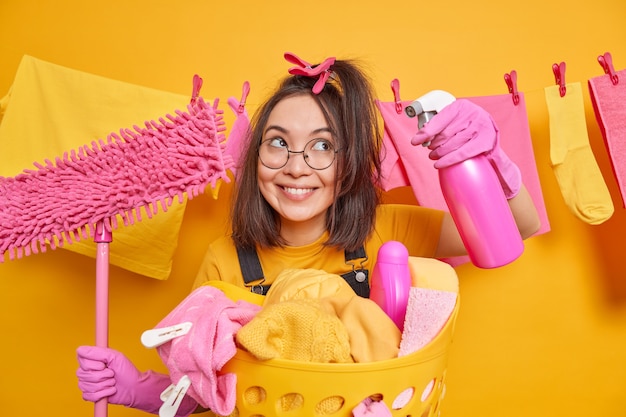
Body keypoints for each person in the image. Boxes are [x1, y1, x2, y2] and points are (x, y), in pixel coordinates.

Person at [76, 52, 541, 416]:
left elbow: (519, 225)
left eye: (322, 146)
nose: (296, 166)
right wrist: (139, 389)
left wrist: (490, 159)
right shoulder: (227, 261)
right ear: (255, 157)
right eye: (278, 142)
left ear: (348, 164)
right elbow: (211, 387)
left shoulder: (390, 230)